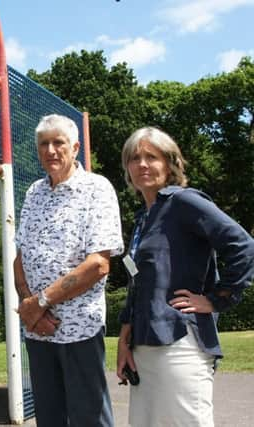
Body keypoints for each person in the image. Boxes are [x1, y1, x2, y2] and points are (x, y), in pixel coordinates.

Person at [116, 126, 254, 427]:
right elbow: (138, 284)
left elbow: (242, 245)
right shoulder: (143, 219)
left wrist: (217, 298)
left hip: (179, 344)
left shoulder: (184, 202)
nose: (142, 164)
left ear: (170, 163)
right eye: (134, 158)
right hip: (144, 347)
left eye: (151, 157)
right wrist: (125, 341)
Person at [15, 114, 124, 426]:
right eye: (43, 144)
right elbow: (20, 256)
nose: (50, 150)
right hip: (38, 328)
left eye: (58, 142)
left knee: (89, 417)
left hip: (79, 327)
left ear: (75, 147)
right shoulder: (33, 192)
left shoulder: (96, 189)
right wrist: (29, 307)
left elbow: (98, 264)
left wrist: (41, 303)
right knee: (49, 418)